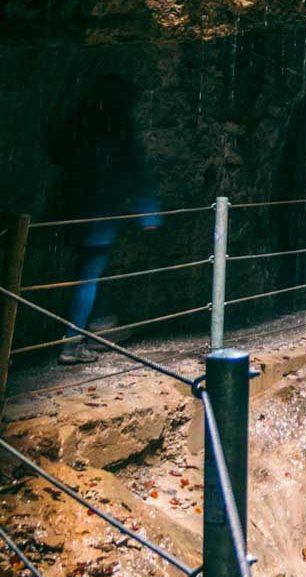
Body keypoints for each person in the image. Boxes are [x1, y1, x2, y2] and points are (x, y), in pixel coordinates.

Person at [48, 74, 161, 365]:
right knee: (90, 276)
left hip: (71, 210)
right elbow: (136, 170)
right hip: (99, 215)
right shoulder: (118, 126)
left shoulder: (81, 120)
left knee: (84, 275)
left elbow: (57, 151)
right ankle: (73, 343)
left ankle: (96, 325)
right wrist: (148, 213)